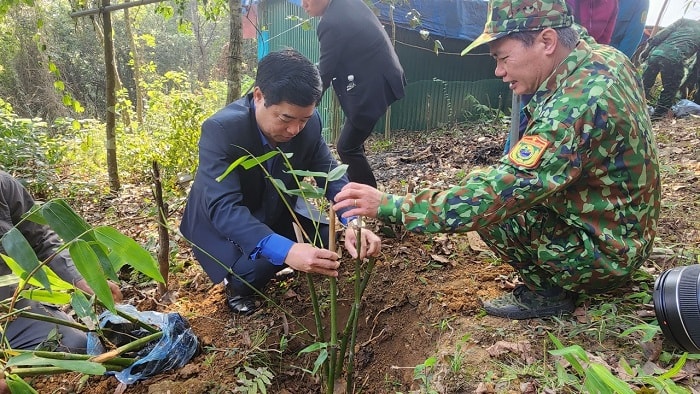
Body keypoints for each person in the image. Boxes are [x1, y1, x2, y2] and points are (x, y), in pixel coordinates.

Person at [334, 0, 660, 320]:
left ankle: (547, 293)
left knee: (497, 209)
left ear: (547, 41)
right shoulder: (603, 58)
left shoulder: (572, 109)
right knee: (484, 183)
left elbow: (494, 195)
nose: (499, 71)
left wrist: (392, 205)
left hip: (606, 259)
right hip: (623, 231)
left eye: (503, 58)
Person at [180, 49, 381, 316]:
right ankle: (236, 287)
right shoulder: (222, 131)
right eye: (285, 119)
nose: (294, 130)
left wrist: (353, 221)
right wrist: (287, 251)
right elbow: (223, 208)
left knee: (324, 239)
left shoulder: (307, 125)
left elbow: (329, 173)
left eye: (304, 120)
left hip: (275, 207)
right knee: (257, 266)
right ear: (259, 96)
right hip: (226, 226)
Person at [0, 171, 123, 352]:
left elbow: (40, 241)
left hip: (9, 310)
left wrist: (83, 279)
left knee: (75, 347)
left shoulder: (3, 184)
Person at [302, 0, 406, 188]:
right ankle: (358, 185)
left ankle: (370, 201)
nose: (304, 5)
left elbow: (325, 73)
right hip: (383, 78)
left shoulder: (331, 22)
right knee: (353, 144)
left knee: (346, 147)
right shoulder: (348, 4)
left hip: (372, 87)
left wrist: (303, 108)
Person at [641, 18, 700, 119]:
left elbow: (660, 35)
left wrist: (647, 51)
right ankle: (657, 116)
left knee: (643, 85)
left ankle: (632, 107)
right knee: (669, 90)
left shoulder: (684, 21)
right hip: (675, 59)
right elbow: (697, 65)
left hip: (656, 54)